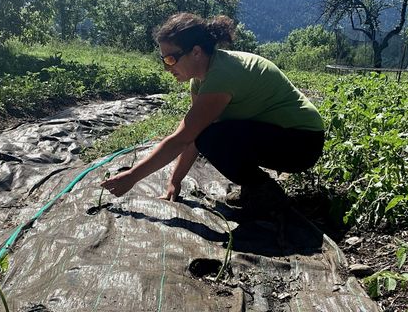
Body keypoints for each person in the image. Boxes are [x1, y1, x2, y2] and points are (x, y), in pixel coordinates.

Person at [101, 12, 325, 215]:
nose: (166, 67)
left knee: (211, 137)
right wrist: (174, 181)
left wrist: (132, 177)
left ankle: (264, 192)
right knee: (208, 135)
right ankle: (255, 187)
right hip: (280, 136)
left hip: (301, 142)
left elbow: (184, 138)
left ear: (196, 52)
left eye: (170, 59)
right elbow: (190, 137)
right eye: (163, 60)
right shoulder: (201, 81)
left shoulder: (222, 76)